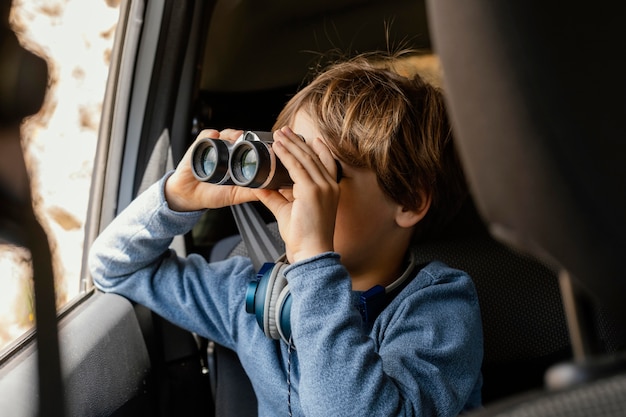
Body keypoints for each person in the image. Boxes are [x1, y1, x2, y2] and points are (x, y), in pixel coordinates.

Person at [89, 51, 483, 417]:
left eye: (318, 174)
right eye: (287, 165)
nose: (296, 189)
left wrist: (313, 261)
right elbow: (116, 268)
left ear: (409, 201)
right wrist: (175, 198)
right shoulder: (252, 292)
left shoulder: (439, 307)